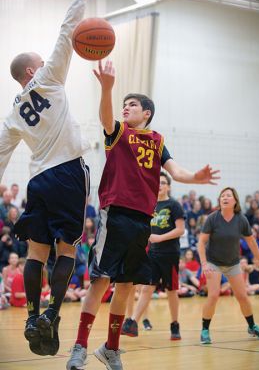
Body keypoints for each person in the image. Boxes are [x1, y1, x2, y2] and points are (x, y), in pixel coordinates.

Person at [66, 59, 220, 370]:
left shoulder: (157, 140)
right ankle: (80, 345)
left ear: (146, 112)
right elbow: (106, 118)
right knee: (101, 281)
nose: (126, 108)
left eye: (132, 104)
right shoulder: (119, 132)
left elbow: (175, 171)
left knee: (126, 286)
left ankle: (111, 348)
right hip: (116, 213)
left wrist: (197, 178)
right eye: (124, 104)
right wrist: (107, 89)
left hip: (142, 220)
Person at [0, 0, 94, 356]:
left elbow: (2, 155)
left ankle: (31, 315)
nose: (43, 63)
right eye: (38, 63)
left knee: (36, 253)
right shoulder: (50, 77)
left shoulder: (12, 113)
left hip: (37, 180)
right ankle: (53, 314)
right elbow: (66, 32)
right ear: (30, 72)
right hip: (68, 172)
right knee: (67, 249)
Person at [121, 171, 185, 340]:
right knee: (147, 288)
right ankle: (133, 322)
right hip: (153, 254)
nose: (160, 185)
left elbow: (180, 229)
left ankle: (175, 325)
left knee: (171, 291)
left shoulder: (174, 205)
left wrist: (160, 238)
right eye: (158, 183)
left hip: (170, 254)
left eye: (163, 183)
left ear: (168, 187)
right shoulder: (150, 204)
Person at [198, 187, 259, 344]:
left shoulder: (241, 219)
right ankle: (205, 330)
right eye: (222, 196)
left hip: (233, 263)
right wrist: (204, 264)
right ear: (219, 200)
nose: (225, 198)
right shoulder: (212, 218)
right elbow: (201, 242)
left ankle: (252, 326)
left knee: (242, 296)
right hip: (213, 262)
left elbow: (251, 241)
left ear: (235, 201)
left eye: (228, 195)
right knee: (213, 295)